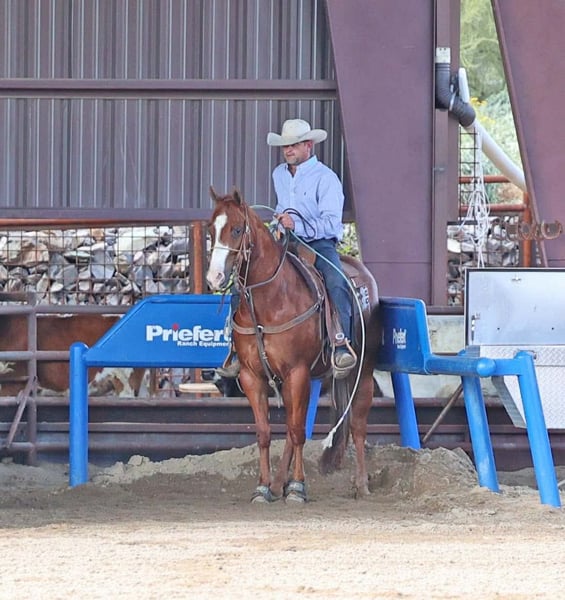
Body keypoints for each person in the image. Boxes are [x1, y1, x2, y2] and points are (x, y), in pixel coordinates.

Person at [216, 118, 356, 379]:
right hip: (286, 242)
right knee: (242, 284)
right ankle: (235, 348)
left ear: (308, 145)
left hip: (318, 244)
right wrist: (279, 223)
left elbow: (331, 223)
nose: (288, 150)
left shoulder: (326, 178)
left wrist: (297, 224)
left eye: (294, 145)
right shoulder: (279, 174)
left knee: (336, 281)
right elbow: (281, 208)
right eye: (285, 146)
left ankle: (340, 342)